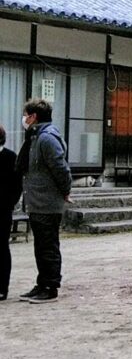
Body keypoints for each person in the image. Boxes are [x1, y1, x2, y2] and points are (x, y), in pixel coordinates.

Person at [19, 99, 72, 304]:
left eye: (26, 115)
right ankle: (42, 283)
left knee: (48, 246)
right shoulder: (36, 137)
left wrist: (65, 191)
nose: (24, 119)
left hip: (47, 202)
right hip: (38, 201)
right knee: (41, 247)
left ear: (33, 117)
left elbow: (61, 168)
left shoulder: (47, 138)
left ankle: (50, 287)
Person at [0, 124, 21, 301]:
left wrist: (9, 203)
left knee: (1, 248)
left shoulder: (11, 157)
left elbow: (17, 185)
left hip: (2, 209)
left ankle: (2, 287)